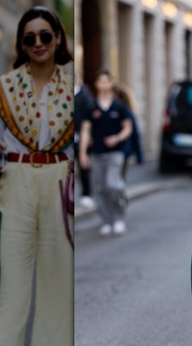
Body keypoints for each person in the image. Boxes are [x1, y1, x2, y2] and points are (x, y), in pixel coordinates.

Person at [0, 6, 74, 346]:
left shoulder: (74, 87)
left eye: (44, 36)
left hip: (57, 183)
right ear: (21, 44)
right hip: (14, 182)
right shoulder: (2, 88)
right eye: (29, 38)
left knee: (56, 288)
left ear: (57, 39)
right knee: (8, 292)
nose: (37, 44)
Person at [78, 70, 132, 236]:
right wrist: (82, 153)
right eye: (100, 81)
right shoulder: (91, 107)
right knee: (100, 189)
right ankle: (107, 221)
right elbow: (85, 131)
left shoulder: (119, 106)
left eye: (106, 81)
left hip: (115, 153)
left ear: (111, 83)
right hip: (97, 153)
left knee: (112, 185)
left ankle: (119, 218)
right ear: (96, 84)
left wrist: (117, 138)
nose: (103, 84)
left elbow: (128, 128)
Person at [112, 82, 144, 180]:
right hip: (110, 151)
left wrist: (139, 156)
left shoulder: (126, 113)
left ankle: (120, 195)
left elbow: (135, 135)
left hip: (123, 150)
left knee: (118, 180)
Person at [74, 76, 94, 207]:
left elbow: (89, 118)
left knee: (83, 165)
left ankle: (87, 194)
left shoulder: (85, 95)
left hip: (81, 135)